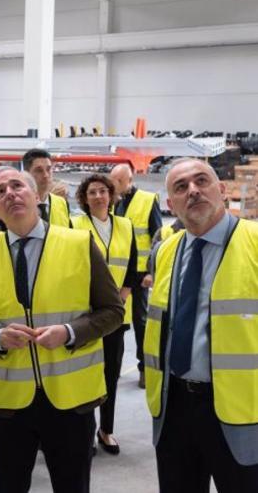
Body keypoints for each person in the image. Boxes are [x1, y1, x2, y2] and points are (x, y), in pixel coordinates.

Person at [0, 166, 124, 493]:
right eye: (0, 191)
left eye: (17, 186)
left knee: (73, 485)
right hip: (7, 404)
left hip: (71, 401)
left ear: (36, 196)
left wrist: (69, 332)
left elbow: (113, 311)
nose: (10, 193)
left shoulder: (78, 244)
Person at [146, 158, 258, 492]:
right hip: (173, 405)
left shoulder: (254, 242)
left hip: (243, 410)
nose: (193, 191)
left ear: (222, 190)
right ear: (171, 205)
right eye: (181, 187)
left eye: (201, 181)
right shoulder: (165, 252)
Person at [72, 174, 138, 456]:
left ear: (111, 195)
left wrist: (120, 298)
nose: (98, 196)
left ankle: (106, 430)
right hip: (86, 315)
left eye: (102, 191)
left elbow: (133, 266)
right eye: (92, 192)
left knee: (111, 374)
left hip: (116, 315)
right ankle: (85, 432)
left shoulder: (125, 225)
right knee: (85, 374)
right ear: (85, 199)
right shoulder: (75, 226)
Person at [110, 163, 162, 388]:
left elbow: (158, 238)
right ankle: (114, 367)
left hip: (140, 275)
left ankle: (144, 369)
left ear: (129, 180)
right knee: (116, 323)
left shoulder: (147, 200)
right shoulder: (113, 202)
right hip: (118, 273)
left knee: (141, 323)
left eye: (118, 181)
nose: (114, 185)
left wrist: (152, 271)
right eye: (113, 181)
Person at [22, 148, 71, 227]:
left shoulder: (62, 203)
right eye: (39, 170)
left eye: (48, 169)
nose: (46, 175)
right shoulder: (18, 205)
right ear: (27, 174)